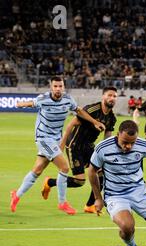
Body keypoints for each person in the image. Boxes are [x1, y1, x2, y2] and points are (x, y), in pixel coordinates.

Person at [10, 76, 106, 215]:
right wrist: (19, 104)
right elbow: (31, 103)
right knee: (65, 167)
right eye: (55, 86)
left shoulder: (68, 99)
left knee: (37, 170)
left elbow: (79, 111)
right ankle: (62, 203)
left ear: (63, 87)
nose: (58, 89)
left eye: (60, 86)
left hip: (55, 138)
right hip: (43, 138)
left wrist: (94, 122)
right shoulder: (43, 99)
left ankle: (16, 195)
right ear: (51, 87)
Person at [40, 86, 118, 214]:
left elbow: (107, 138)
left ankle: (90, 205)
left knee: (102, 174)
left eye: (114, 96)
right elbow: (71, 123)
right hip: (74, 145)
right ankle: (50, 182)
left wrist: (106, 155)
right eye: (109, 95)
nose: (112, 98)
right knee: (79, 181)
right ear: (103, 96)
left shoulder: (111, 118)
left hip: (89, 147)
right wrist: (62, 143)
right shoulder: (92, 110)